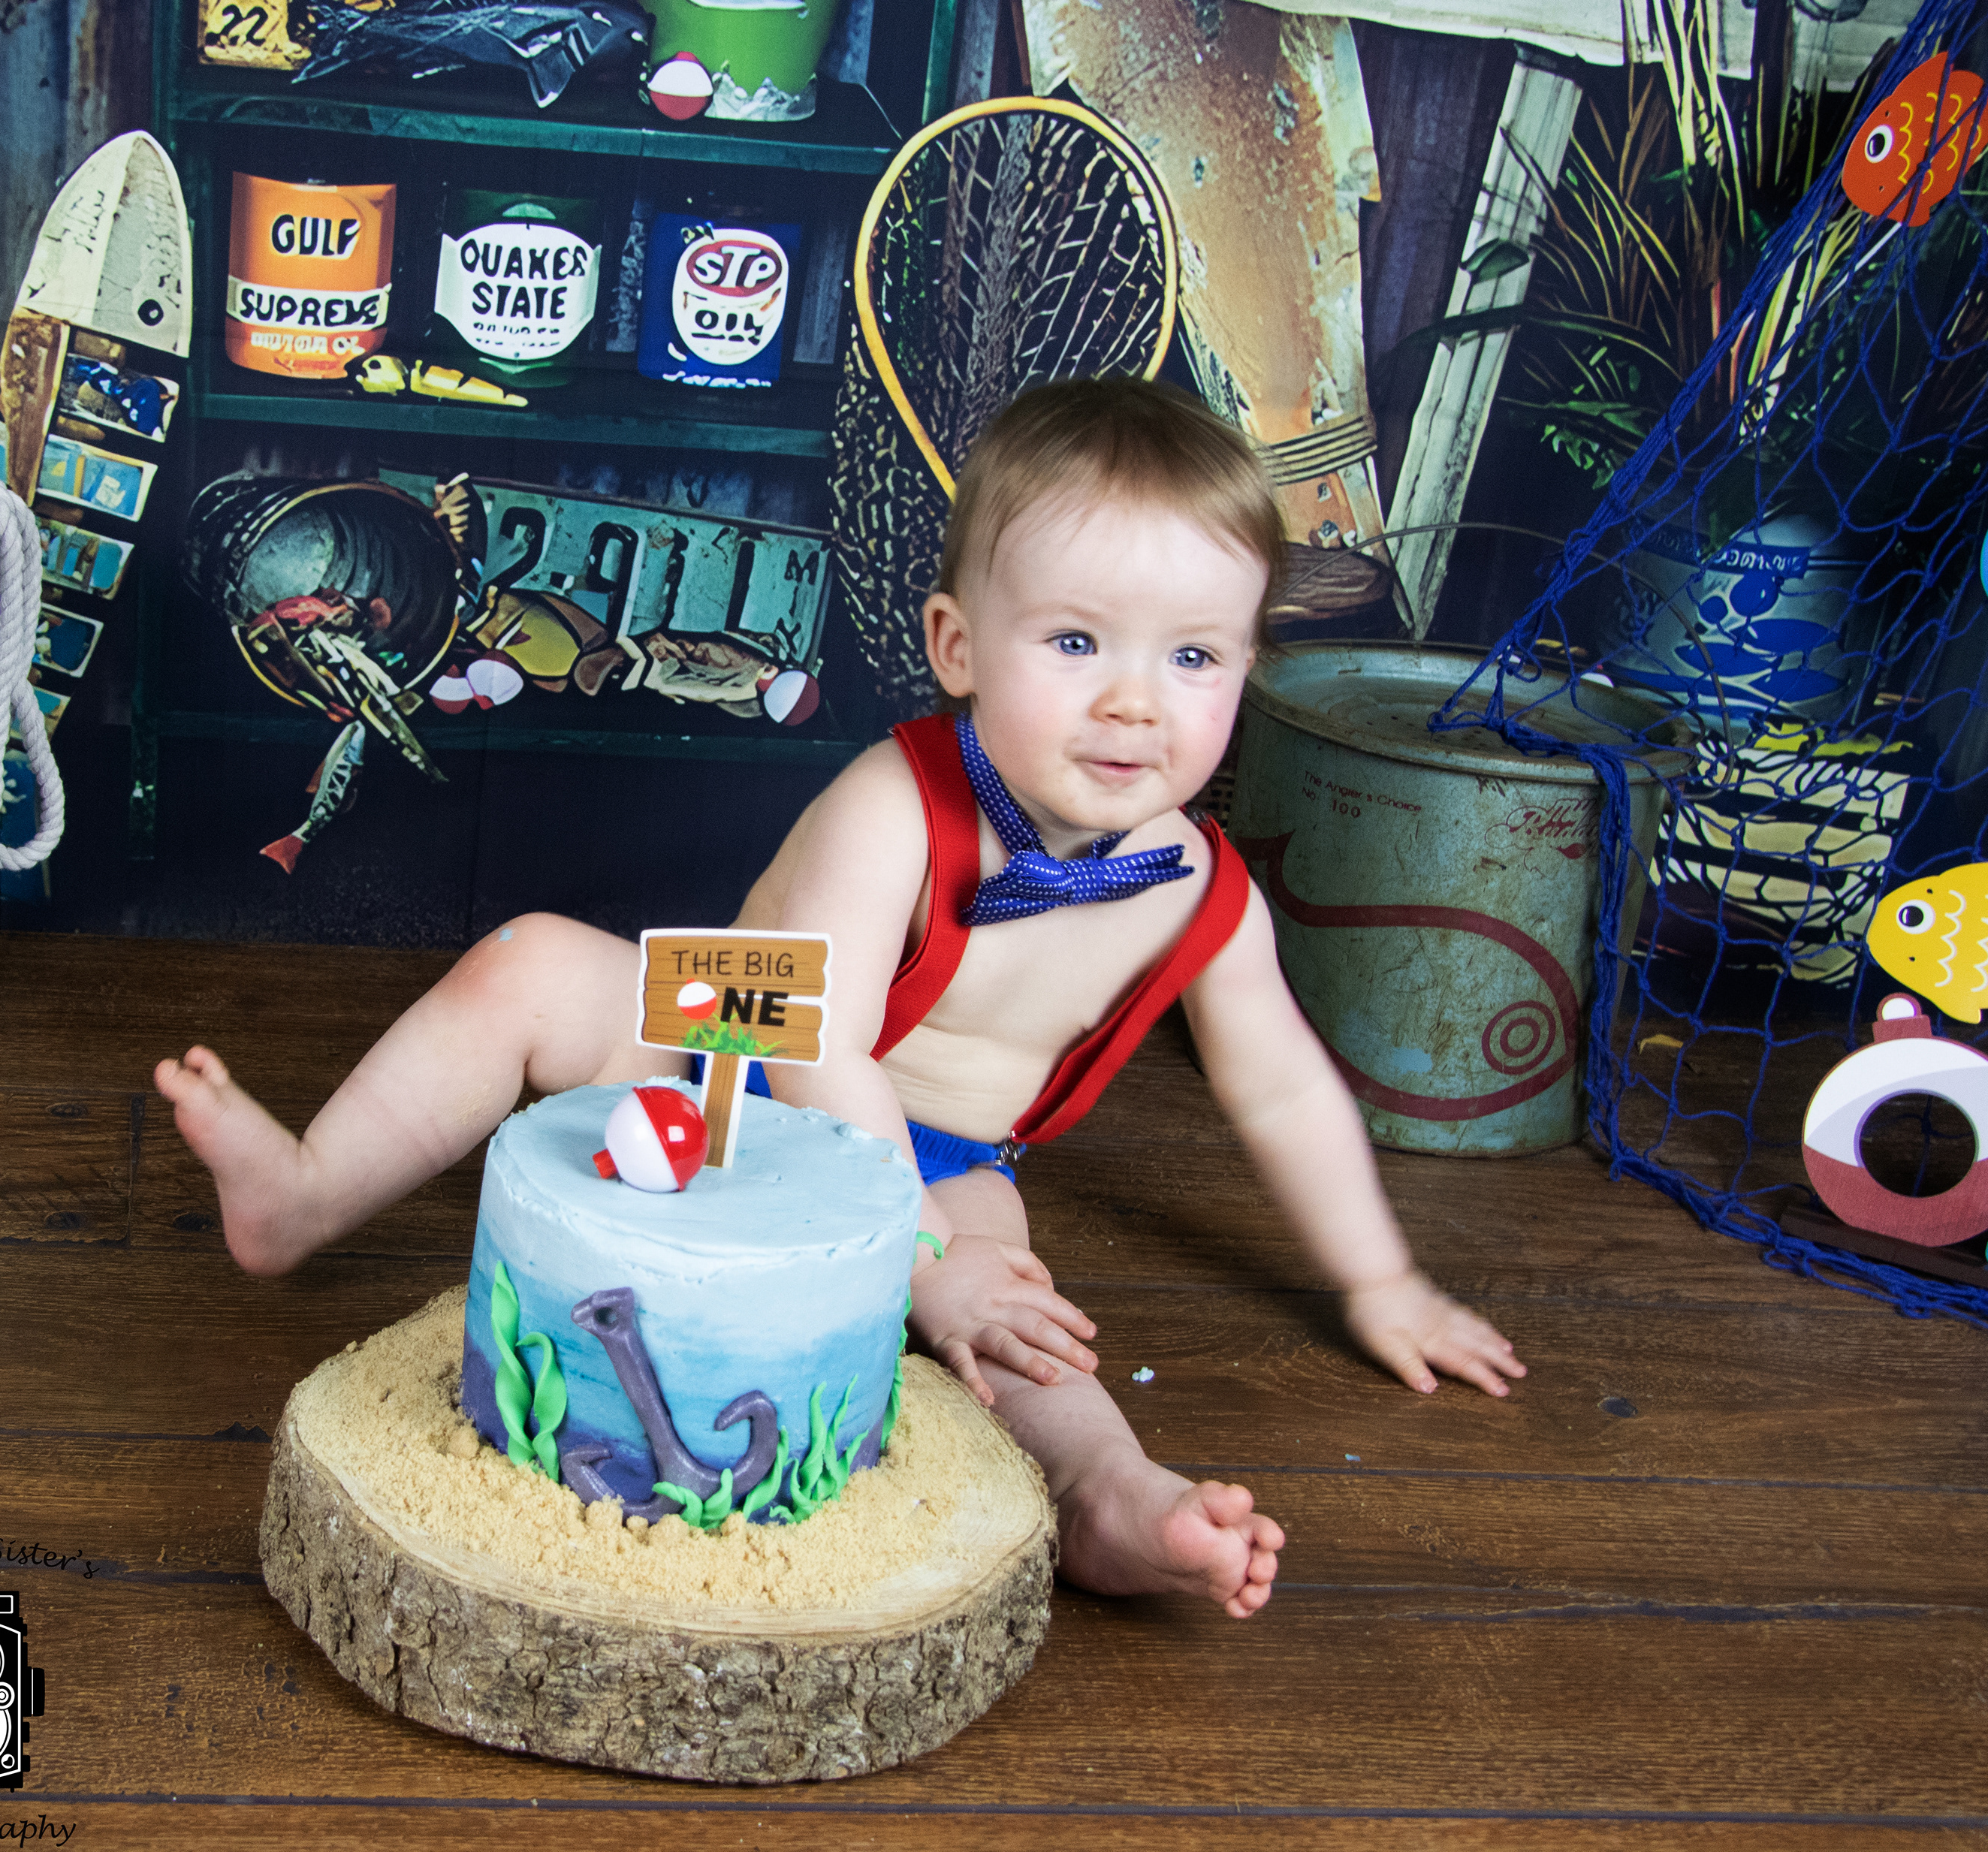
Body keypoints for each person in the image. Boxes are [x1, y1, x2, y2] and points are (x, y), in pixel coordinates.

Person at [158, 377, 1524, 1620]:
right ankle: (305, 1192)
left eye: (1193, 658)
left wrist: (1381, 1278)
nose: (1134, 704)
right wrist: (920, 1254)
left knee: (1021, 1314)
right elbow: (808, 1033)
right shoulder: (896, 802)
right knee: (528, 961)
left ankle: (1113, 1494)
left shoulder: (1201, 894)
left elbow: (1282, 1087)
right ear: (957, 645)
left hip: (946, 1153)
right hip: (729, 1045)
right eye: (1075, 641)